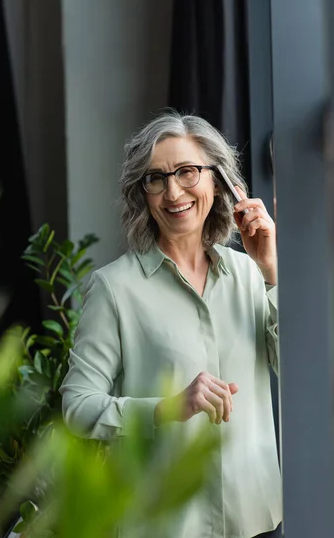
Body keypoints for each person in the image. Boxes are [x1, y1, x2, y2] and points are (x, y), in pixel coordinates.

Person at [60, 112, 281, 538]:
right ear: (141, 194)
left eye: (186, 172)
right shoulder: (114, 288)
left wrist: (272, 272)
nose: (172, 191)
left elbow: (298, 374)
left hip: (257, 519)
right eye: (155, 178)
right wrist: (167, 408)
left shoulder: (250, 273)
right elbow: (77, 406)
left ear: (218, 181)